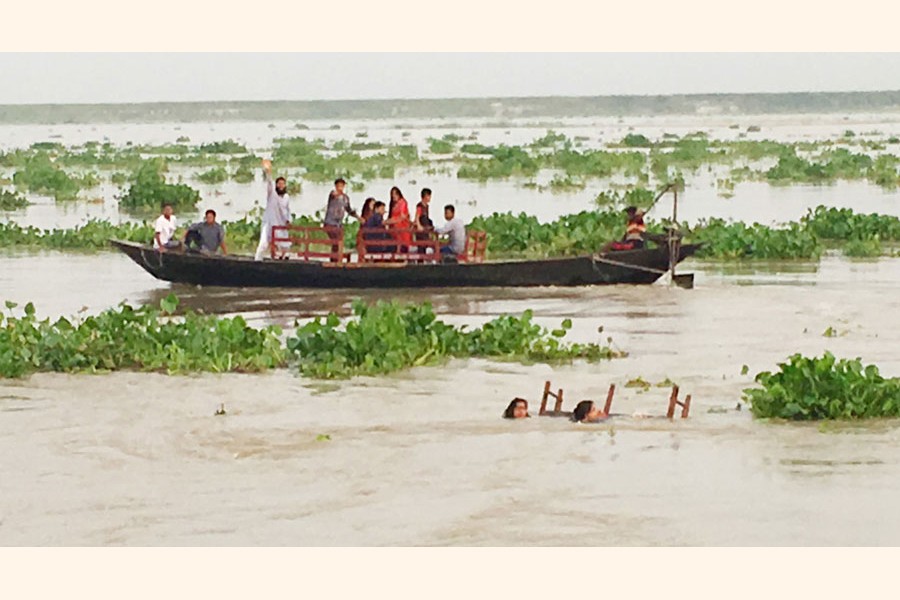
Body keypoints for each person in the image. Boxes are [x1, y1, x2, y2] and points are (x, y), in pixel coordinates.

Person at [254, 159, 291, 261]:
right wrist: (268, 172)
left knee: (284, 244)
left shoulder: (286, 197)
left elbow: (287, 210)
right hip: (269, 222)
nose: (281, 185)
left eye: (283, 184)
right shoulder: (272, 194)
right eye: (279, 184)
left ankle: (283, 259)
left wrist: (288, 220)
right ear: (276, 185)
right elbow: (269, 182)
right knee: (263, 243)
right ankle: (257, 260)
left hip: (280, 223)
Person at [323, 177, 359, 261]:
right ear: (335, 186)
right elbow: (334, 194)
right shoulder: (333, 194)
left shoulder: (345, 198)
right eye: (338, 186)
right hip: (330, 223)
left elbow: (349, 210)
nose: (340, 188)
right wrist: (339, 193)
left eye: (342, 186)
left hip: (338, 224)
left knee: (339, 243)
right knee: (335, 241)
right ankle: (334, 260)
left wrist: (358, 217)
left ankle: (336, 260)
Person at [384, 186, 412, 251]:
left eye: (395, 194)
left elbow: (402, 217)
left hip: (402, 229)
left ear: (399, 194)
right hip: (394, 229)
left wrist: (388, 221)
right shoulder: (393, 204)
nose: (394, 196)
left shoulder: (402, 202)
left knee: (402, 247)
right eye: (392, 194)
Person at [414, 188, 434, 253]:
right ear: (425, 196)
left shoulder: (426, 206)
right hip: (421, 230)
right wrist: (419, 225)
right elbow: (417, 216)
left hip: (425, 229)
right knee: (421, 247)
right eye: (429, 196)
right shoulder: (420, 206)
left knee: (425, 246)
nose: (430, 198)